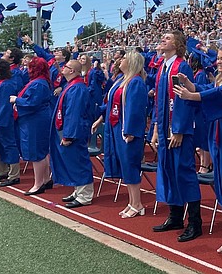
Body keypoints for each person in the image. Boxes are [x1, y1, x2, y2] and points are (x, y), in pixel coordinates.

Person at [174, 44, 222, 258]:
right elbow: (209, 89)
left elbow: (216, 94)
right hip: (217, 136)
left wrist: (192, 94)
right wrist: (192, 86)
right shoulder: (221, 79)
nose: (219, 62)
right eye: (219, 58)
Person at [150, 31, 202, 242]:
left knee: (184, 173)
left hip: (178, 130)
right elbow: (158, 103)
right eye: (162, 37)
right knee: (169, 171)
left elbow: (184, 99)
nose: (163, 39)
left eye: (168, 38)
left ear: (178, 44)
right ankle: (175, 216)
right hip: (163, 130)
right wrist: (155, 129)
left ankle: (195, 223)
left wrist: (179, 129)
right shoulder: (163, 67)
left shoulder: (182, 66)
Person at [92, 50, 148, 217]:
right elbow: (111, 104)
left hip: (127, 130)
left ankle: (137, 204)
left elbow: (135, 109)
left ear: (131, 62)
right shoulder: (121, 80)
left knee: (130, 165)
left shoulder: (136, 82)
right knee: (124, 166)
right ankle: (132, 202)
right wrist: (100, 118)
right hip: (116, 127)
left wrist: (130, 130)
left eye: (124, 58)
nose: (120, 61)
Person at [49, 59, 95, 208]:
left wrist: (68, 135)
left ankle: (85, 195)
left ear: (72, 71)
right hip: (69, 129)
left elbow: (73, 114)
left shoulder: (77, 88)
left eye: (66, 66)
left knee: (79, 162)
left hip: (75, 132)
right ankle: (78, 190)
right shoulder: (71, 85)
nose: (63, 68)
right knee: (72, 162)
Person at [10, 57, 54, 196]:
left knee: (37, 152)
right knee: (42, 152)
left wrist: (17, 100)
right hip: (36, 119)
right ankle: (46, 179)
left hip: (35, 120)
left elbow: (32, 103)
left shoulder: (38, 84)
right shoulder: (40, 82)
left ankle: (38, 183)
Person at [0, 58, 21, 187]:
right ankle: (3, 171)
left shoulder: (7, 84)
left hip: (4, 121)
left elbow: (4, 106)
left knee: (9, 145)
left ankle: (14, 175)